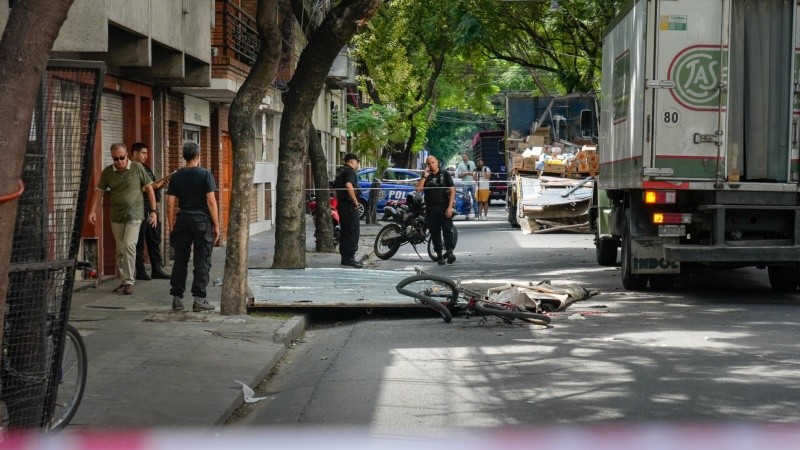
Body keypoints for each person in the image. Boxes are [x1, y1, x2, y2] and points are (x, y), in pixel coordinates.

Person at [88, 143, 157, 295]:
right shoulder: (108, 172)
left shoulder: (137, 168)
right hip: (117, 215)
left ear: (127, 154)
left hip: (134, 214)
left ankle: (129, 282)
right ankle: (123, 280)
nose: (119, 161)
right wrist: (92, 211)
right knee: (120, 249)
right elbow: (99, 192)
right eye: (115, 158)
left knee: (128, 245)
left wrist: (153, 211)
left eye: (122, 157)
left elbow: (150, 190)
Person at [167, 142, 220, 312]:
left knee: (180, 261)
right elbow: (211, 201)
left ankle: (177, 298)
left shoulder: (176, 176)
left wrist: (171, 225)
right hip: (202, 222)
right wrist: (217, 225)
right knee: (202, 260)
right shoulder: (205, 174)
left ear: (184, 156)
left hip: (183, 219)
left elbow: (170, 203)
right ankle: (199, 299)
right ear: (198, 156)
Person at [130, 143, 170, 280]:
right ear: (134, 153)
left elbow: (152, 187)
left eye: (147, 153)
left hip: (151, 209)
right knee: (139, 240)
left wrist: (159, 186)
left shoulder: (145, 168)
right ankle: (140, 270)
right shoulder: (131, 168)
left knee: (154, 238)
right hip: (139, 208)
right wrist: (156, 185)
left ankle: (156, 269)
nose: (146, 156)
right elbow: (144, 188)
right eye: (143, 153)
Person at [416, 155, 456, 265]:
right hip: (430, 207)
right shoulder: (426, 176)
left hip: (443, 206)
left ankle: (450, 252)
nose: (431, 165)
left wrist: (449, 207)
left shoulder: (445, 174)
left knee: (447, 230)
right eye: (428, 164)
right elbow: (418, 190)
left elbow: (452, 190)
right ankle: (439, 255)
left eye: (433, 162)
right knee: (434, 232)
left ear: (437, 162)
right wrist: (424, 176)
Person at [334, 153, 363, 268]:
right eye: (357, 162)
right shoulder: (350, 172)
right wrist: (355, 201)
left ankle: (345, 257)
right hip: (349, 205)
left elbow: (335, 189)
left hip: (342, 205)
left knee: (345, 231)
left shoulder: (340, 172)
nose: (357, 165)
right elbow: (349, 185)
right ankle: (350, 257)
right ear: (352, 162)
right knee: (352, 230)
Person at [455, 152, 478, 219]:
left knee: (474, 198)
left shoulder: (472, 163)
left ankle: (476, 214)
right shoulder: (460, 165)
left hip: (472, 183)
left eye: (465, 156)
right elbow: (459, 175)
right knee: (466, 199)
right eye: (463, 156)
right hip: (465, 184)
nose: (464, 158)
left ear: (468, 157)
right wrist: (467, 174)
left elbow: (474, 173)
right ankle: (466, 214)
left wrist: (466, 173)